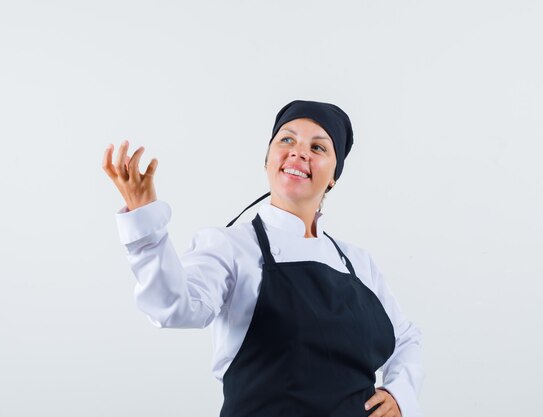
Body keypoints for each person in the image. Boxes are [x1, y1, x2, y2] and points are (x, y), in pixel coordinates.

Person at [102, 100, 424, 417]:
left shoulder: (358, 263)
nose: (299, 152)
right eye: (287, 139)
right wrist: (145, 222)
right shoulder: (231, 247)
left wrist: (399, 395)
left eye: (318, 147)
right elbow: (173, 306)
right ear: (268, 159)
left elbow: (406, 339)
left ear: (333, 177)